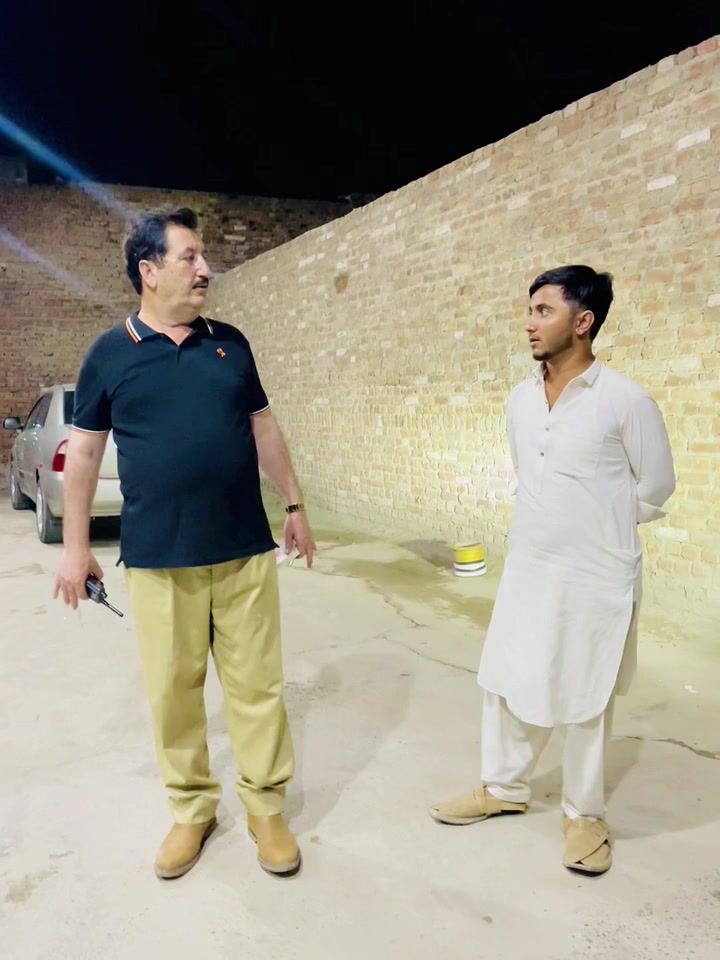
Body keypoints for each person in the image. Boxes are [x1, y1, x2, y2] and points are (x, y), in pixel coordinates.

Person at [54, 206, 316, 880]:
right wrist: (75, 548)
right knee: (174, 692)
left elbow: (263, 428)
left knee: (257, 686)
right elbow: (83, 455)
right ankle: (193, 809)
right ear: (149, 270)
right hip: (158, 556)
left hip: (243, 548)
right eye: (190, 256)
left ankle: (265, 807)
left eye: (203, 257)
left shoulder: (230, 344)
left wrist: (293, 503)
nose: (205, 268)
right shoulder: (109, 354)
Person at [430, 265, 676, 874]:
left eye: (544, 310)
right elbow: (529, 471)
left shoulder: (625, 400)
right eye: (530, 310)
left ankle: (584, 814)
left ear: (583, 321)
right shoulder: (520, 399)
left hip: (596, 573)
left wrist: (597, 526)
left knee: (586, 690)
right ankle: (503, 788)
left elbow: (656, 487)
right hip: (530, 564)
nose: (530, 323)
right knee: (509, 674)